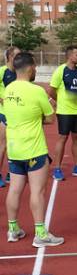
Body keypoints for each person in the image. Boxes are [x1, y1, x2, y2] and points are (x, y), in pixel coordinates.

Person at [3, 52, 64, 247]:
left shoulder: (9, 90)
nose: (36, 70)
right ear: (30, 68)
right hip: (34, 149)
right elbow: (49, 118)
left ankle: (12, 230)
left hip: (14, 149)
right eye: (35, 67)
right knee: (37, 191)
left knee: (14, 189)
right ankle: (40, 233)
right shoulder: (37, 91)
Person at [48, 45, 77, 181]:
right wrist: (59, 101)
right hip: (65, 112)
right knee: (63, 138)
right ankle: (57, 168)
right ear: (70, 56)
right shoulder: (60, 71)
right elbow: (52, 90)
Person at [0, 46, 21, 187]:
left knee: (16, 145)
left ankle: (11, 173)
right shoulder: (2, 71)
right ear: (9, 57)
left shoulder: (20, 73)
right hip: (5, 114)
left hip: (19, 114)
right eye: (17, 56)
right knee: (3, 145)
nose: (19, 58)